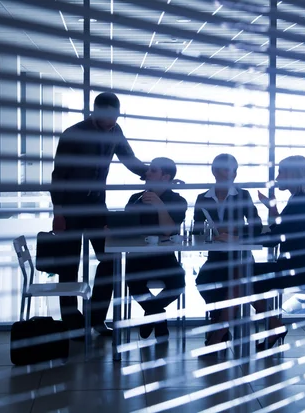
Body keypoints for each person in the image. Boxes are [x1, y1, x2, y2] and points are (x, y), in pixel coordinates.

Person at [50, 92, 147, 337]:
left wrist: (157, 176)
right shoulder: (73, 133)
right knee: (68, 265)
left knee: (110, 258)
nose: (111, 122)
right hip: (70, 207)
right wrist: (58, 212)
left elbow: (129, 159)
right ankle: (72, 323)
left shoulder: (116, 131)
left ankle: (96, 318)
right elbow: (59, 175)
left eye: (114, 117)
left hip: (96, 206)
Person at [203, 156, 305, 351]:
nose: (277, 177)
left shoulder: (299, 202)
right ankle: (269, 326)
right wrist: (273, 208)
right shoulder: (299, 200)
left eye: (281, 172)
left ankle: (220, 334)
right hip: (299, 265)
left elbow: (275, 238)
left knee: (240, 276)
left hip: (299, 269)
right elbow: (283, 230)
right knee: (241, 275)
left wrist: (235, 239)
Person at [194, 154, 263, 344]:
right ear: (215, 172)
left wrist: (231, 230)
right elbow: (196, 230)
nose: (233, 173)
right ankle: (220, 321)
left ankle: (219, 326)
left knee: (229, 280)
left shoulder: (242, 195)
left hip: (240, 256)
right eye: (228, 169)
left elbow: (256, 226)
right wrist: (210, 231)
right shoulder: (203, 198)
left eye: (235, 169)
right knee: (203, 281)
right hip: (216, 256)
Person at [125, 157, 188, 339]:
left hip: (164, 256)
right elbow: (126, 226)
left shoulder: (178, 200)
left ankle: (151, 313)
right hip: (137, 256)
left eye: (153, 170)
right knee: (134, 283)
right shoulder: (136, 199)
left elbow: (169, 231)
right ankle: (158, 315)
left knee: (178, 283)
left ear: (165, 177)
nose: (147, 173)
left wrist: (159, 205)